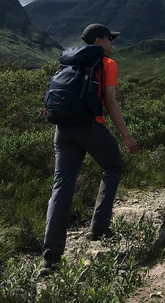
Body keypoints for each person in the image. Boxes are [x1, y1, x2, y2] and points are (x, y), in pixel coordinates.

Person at [39, 23, 139, 276]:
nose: (113, 44)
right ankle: (99, 227)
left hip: (62, 129)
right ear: (98, 40)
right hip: (89, 127)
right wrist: (127, 137)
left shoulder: (70, 63)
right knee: (113, 165)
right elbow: (111, 103)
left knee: (61, 187)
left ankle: (50, 258)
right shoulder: (106, 64)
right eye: (110, 39)